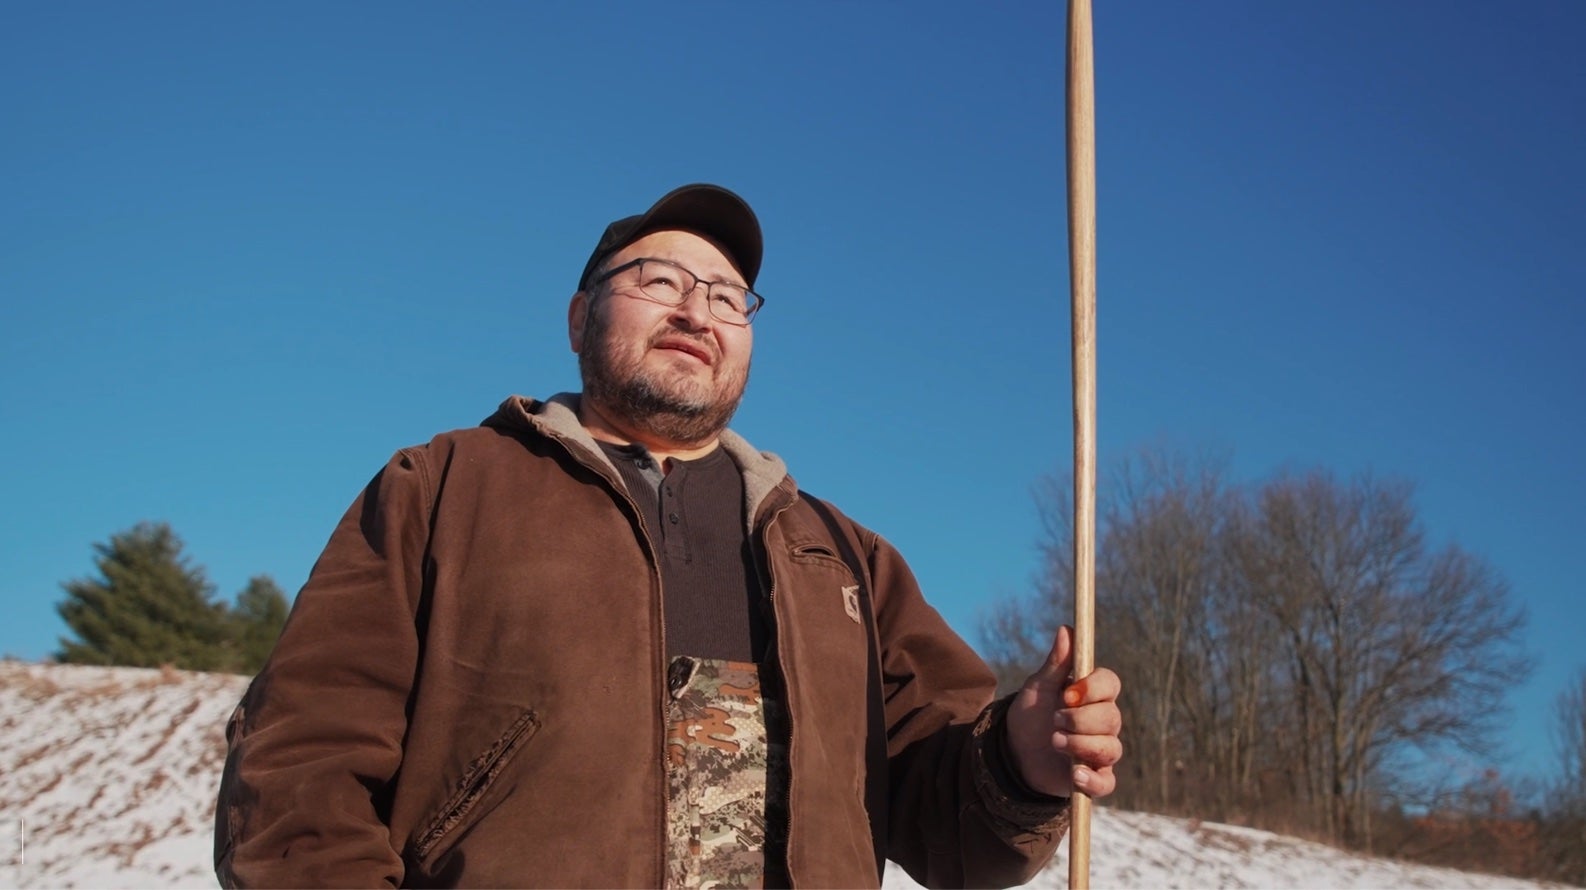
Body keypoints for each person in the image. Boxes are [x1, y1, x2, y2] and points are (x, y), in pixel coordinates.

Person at [214, 183, 1123, 889]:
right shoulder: (445, 487)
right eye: (660, 282)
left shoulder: (844, 560)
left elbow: (948, 826)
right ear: (579, 318)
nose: (698, 311)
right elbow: (303, 765)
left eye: (730, 298)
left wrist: (1020, 762)